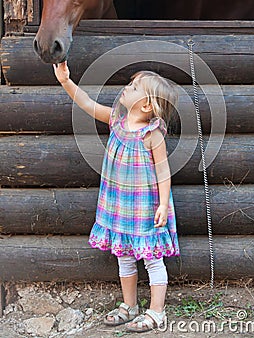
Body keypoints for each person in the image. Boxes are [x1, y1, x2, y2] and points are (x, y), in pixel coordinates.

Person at [53, 62, 180, 332]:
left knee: (152, 258)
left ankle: (157, 312)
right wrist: (65, 80)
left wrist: (164, 204)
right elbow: (86, 103)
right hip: (118, 207)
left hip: (145, 209)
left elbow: (163, 172)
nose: (126, 87)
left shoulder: (152, 135)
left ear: (146, 106)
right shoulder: (115, 121)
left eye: (134, 87)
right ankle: (129, 305)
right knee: (124, 257)